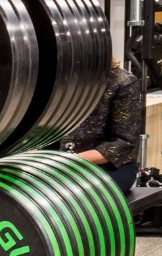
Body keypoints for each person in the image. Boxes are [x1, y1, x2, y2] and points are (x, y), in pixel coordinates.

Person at [62, 62, 145, 195]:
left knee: (68, 196)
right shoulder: (58, 80)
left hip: (108, 166)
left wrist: (70, 161)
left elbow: (123, 143)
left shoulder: (123, 82)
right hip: (59, 163)